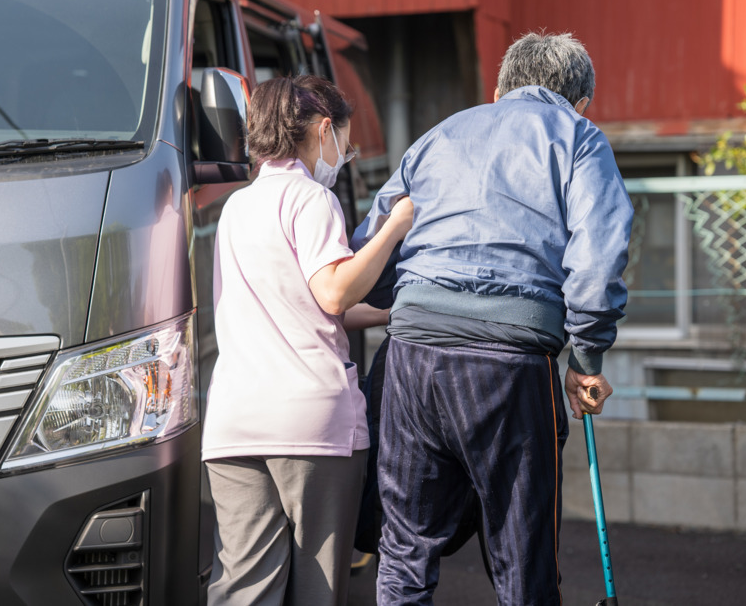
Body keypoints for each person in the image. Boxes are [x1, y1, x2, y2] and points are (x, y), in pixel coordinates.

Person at [351, 32, 634, 605]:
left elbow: (374, 243)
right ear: (581, 102)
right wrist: (585, 358)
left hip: (411, 355)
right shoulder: (579, 138)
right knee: (522, 558)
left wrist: (407, 296)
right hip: (510, 364)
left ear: (500, 89)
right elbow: (598, 260)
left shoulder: (441, 135)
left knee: (404, 554)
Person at [202, 74, 413, 606]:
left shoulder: (235, 208)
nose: (343, 154)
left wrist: (389, 309)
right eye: (344, 140)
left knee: (244, 589)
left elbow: (302, 307)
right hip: (310, 428)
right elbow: (335, 292)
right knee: (315, 590)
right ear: (324, 130)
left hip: (235, 424)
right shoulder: (312, 198)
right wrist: (393, 227)